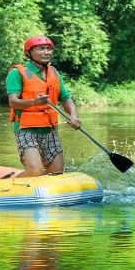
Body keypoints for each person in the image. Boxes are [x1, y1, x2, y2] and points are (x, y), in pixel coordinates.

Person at [7, 35, 81, 178]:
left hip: (49, 128)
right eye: (41, 49)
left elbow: (66, 98)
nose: (46, 52)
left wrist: (73, 115)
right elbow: (13, 102)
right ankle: (7, 187)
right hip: (26, 128)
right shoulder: (17, 73)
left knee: (57, 172)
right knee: (35, 171)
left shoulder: (53, 72)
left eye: (48, 49)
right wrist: (34, 102)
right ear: (28, 53)